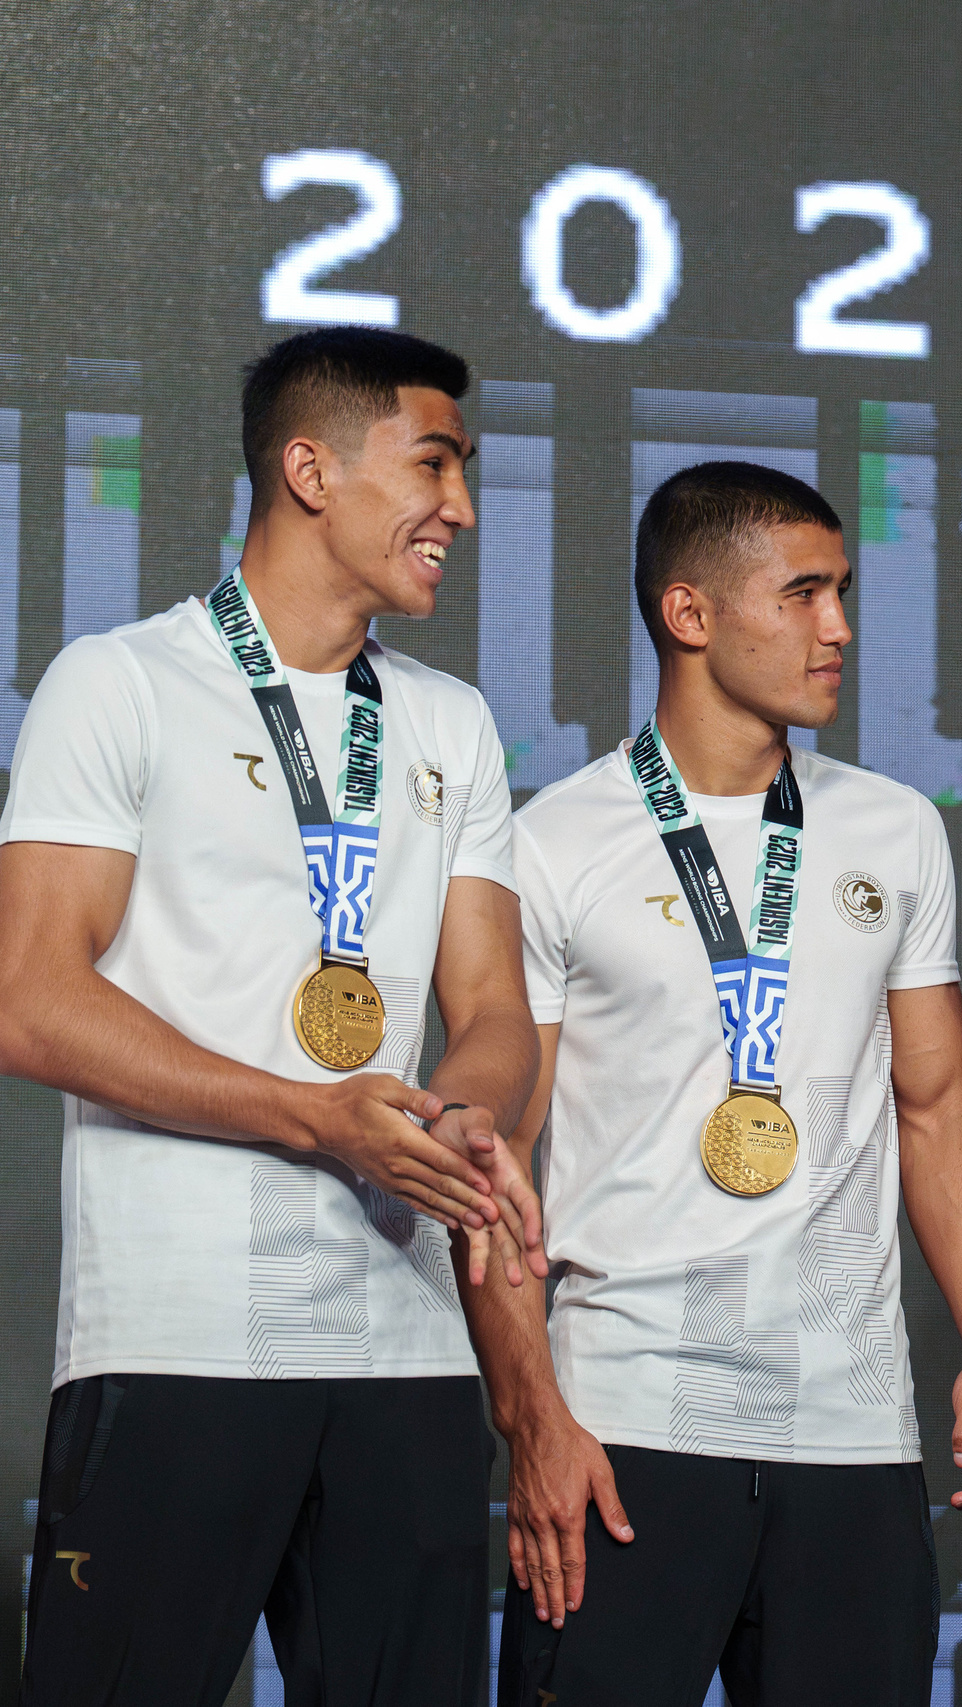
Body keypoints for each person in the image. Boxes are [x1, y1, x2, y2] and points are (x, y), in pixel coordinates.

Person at [0, 327, 545, 1703]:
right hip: (175, 1333)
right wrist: (315, 1114)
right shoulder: (118, 681)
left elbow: (493, 1008)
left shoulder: (451, 721)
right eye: (434, 464)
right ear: (310, 467)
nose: (462, 510)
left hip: (403, 1346)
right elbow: (30, 997)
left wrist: (464, 1119)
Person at [475, 462, 962, 1706]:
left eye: (841, 591)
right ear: (691, 615)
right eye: (803, 594)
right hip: (625, 1428)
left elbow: (937, 1103)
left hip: (851, 1437)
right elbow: (499, 1163)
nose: (838, 627)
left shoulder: (895, 829)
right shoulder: (553, 842)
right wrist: (535, 1425)